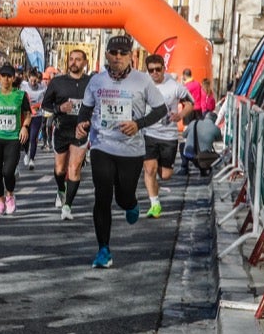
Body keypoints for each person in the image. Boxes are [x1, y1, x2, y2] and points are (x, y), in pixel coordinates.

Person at [75, 35, 168, 269]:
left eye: (122, 53)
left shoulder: (142, 81)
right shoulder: (97, 81)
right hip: (102, 145)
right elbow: (85, 110)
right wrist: (81, 124)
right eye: (113, 52)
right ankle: (103, 250)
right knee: (102, 195)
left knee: (123, 196)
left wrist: (138, 124)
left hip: (131, 149)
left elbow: (160, 109)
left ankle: (131, 202)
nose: (117, 57)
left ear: (131, 57)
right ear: (106, 54)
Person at [140, 55, 193, 218]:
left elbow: (190, 103)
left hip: (168, 135)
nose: (155, 73)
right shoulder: (143, 85)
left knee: (165, 175)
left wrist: (181, 115)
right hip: (148, 133)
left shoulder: (175, 86)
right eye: (151, 70)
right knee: (149, 169)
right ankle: (155, 204)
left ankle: (155, 183)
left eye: (158, 69)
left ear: (164, 68)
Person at [41, 50, 92, 219]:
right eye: (71, 59)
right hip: (62, 129)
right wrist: (59, 109)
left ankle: (67, 207)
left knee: (74, 168)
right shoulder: (57, 82)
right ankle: (61, 189)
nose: (74, 62)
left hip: (81, 131)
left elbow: (99, 105)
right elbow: (45, 105)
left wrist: (90, 121)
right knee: (60, 169)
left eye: (78, 60)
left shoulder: (92, 83)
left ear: (85, 63)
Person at [0, 65, 31, 215]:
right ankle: (0, 201)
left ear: (13, 78)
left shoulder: (20, 95)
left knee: (8, 172)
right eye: (3, 76)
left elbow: (28, 114)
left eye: (9, 76)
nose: (5, 79)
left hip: (12, 138)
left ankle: (10, 195)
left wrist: (24, 127)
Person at [20, 69, 47, 169]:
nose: (33, 83)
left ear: (38, 80)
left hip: (37, 115)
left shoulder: (42, 87)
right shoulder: (24, 86)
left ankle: (32, 159)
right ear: (28, 79)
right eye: (31, 81)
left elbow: (44, 102)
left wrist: (38, 106)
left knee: (33, 137)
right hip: (26, 115)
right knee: (26, 138)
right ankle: (26, 153)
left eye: (35, 81)